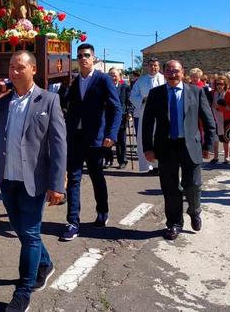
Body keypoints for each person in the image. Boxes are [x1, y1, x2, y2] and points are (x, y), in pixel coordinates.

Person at [0, 51, 66, 312]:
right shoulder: (1, 100)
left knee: (30, 233)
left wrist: (57, 184)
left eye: (20, 67)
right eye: (11, 67)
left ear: (33, 70)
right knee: (25, 233)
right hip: (6, 178)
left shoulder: (49, 100)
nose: (14, 72)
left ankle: (23, 290)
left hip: (33, 180)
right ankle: (45, 264)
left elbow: (59, 145)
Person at [141, 60, 216, 240]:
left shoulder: (196, 92)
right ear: (164, 73)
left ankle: (195, 210)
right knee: (170, 187)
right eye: (168, 71)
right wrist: (148, 148)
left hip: (190, 145)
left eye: (175, 71)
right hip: (166, 146)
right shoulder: (156, 93)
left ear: (183, 72)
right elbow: (147, 123)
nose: (172, 74)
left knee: (193, 184)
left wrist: (209, 145)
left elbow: (208, 119)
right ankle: (174, 223)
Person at [60, 44, 121, 241]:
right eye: (80, 56)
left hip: (96, 139)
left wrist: (111, 134)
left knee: (96, 177)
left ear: (93, 58)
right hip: (75, 138)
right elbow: (66, 106)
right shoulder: (74, 82)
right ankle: (72, 222)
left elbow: (116, 108)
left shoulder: (103, 80)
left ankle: (102, 211)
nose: (83, 59)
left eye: (87, 55)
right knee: (74, 180)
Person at [130, 58, 165, 173]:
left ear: (158, 67)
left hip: (161, 113)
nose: (153, 67)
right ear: (147, 67)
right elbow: (133, 96)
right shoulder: (141, 80)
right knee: (145, 138)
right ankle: (149, 165)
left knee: (159, 138)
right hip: (144, 112)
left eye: (155, 65)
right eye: (151, 65)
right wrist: (142, 99)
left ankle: (160, 164)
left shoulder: (164, 79)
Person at [209, 75, 230, 164]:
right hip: (214, 118)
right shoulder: (212, 93)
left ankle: (226, 157)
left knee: (226, 138)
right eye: (217, 84)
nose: (219, 86)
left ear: (225, 84)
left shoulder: (229, 93)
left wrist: (221, 108)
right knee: (215, 139)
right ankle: (216, 157)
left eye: (221, 84)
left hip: (226, 119)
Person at [106, 68, 130, 169]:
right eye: (111, 75)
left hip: (121, 117)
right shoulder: (105, 87)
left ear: (119, 76)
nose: (113, 77)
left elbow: (129, 101)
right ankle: (108, 160)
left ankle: (122, 161)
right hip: (108, 117)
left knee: (121, 140)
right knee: (107, 140)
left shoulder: (125, 87)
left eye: (115, 75)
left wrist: (129, 112)